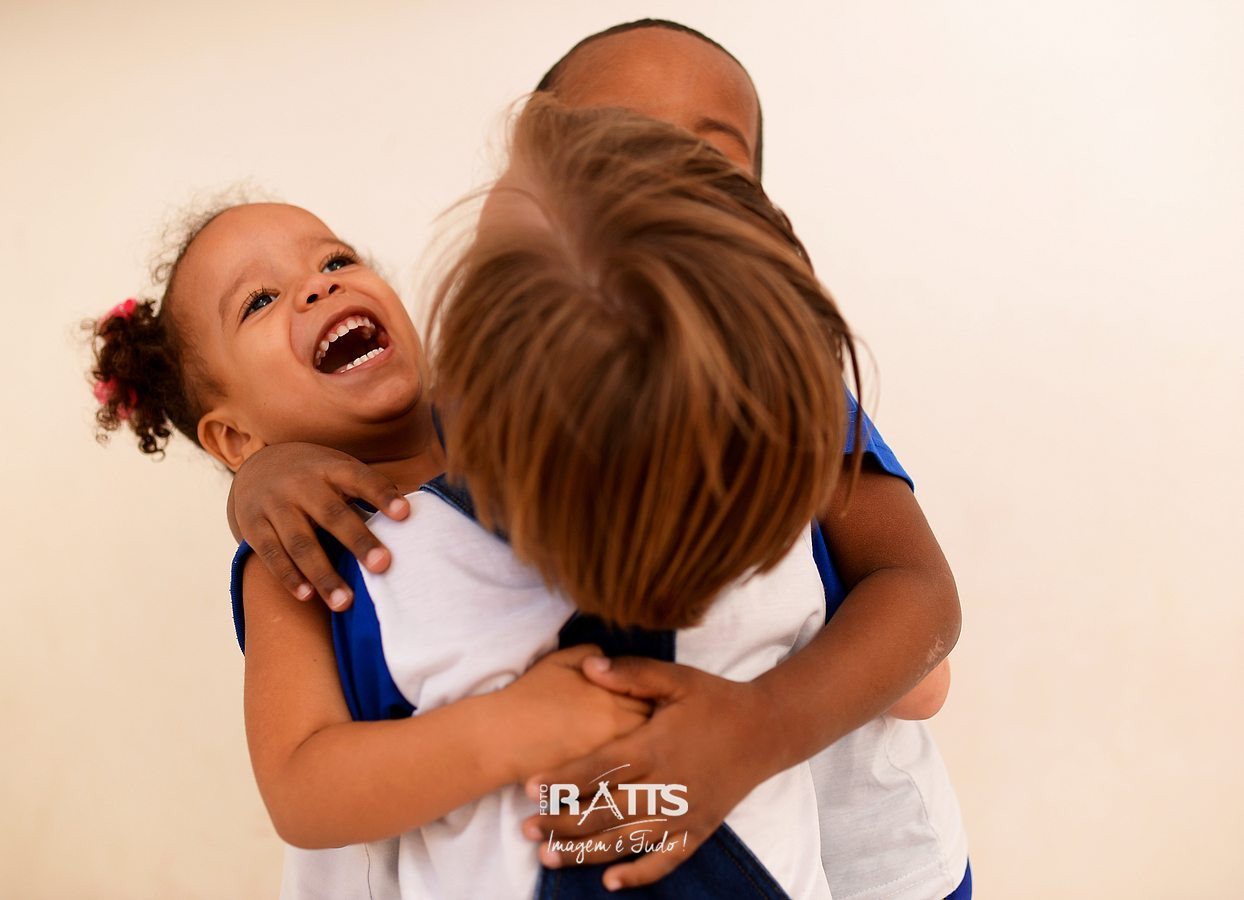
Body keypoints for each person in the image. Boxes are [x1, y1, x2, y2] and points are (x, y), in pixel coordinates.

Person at [230, 20, 970, 898]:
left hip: (864, 862)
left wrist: (762, 725)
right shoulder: (483, 404)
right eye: (610, 141)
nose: (648, 174)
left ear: (765, 223)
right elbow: (410, 461)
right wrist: (265, 472)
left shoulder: (786, 389)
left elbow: (921, 642)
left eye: (705, 152)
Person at [89, 99, 894, 896]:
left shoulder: (517, 413)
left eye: (336, 262)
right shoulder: (296, 554)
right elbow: (301, 789)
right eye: (259, 302)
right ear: (234, 437)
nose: (316, 289)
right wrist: (509, 730)